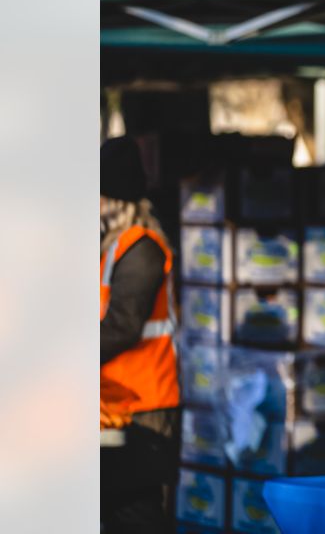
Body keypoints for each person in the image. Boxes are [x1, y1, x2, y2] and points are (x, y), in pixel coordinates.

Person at [100, 136, 180, 533]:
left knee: (135, 512)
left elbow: (123, 326)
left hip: (146, 407)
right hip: (116, 402)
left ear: (114, 199)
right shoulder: (113, 249)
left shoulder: (142, 250)